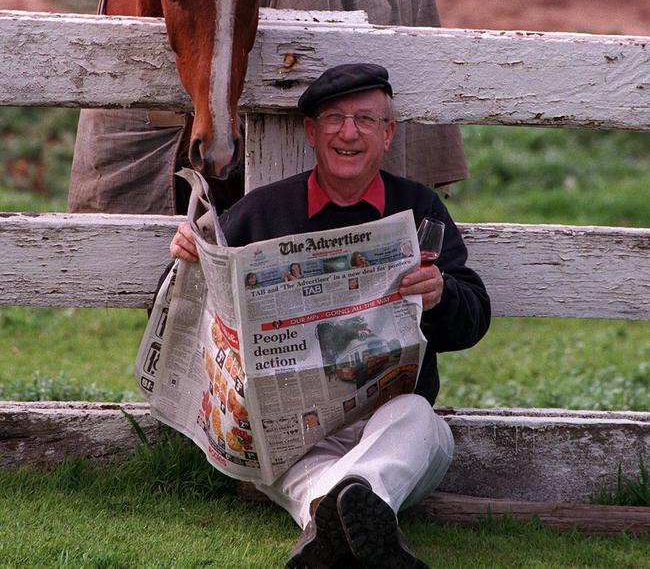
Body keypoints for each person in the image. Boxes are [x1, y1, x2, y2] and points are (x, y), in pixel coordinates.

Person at [170, 63, 490, 569]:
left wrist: (441, 294)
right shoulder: (261, 213)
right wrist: (192, 260)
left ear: (388, 134)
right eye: (334, 119)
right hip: (292, 438)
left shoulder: (419, 208)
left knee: (420, 422)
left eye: (365, 120)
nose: (348, 133)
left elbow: (473, 320)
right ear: (310, 132)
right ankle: (368, 522)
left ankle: (329, 520)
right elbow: (190, 326)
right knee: (281, 463)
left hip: (390, 425)